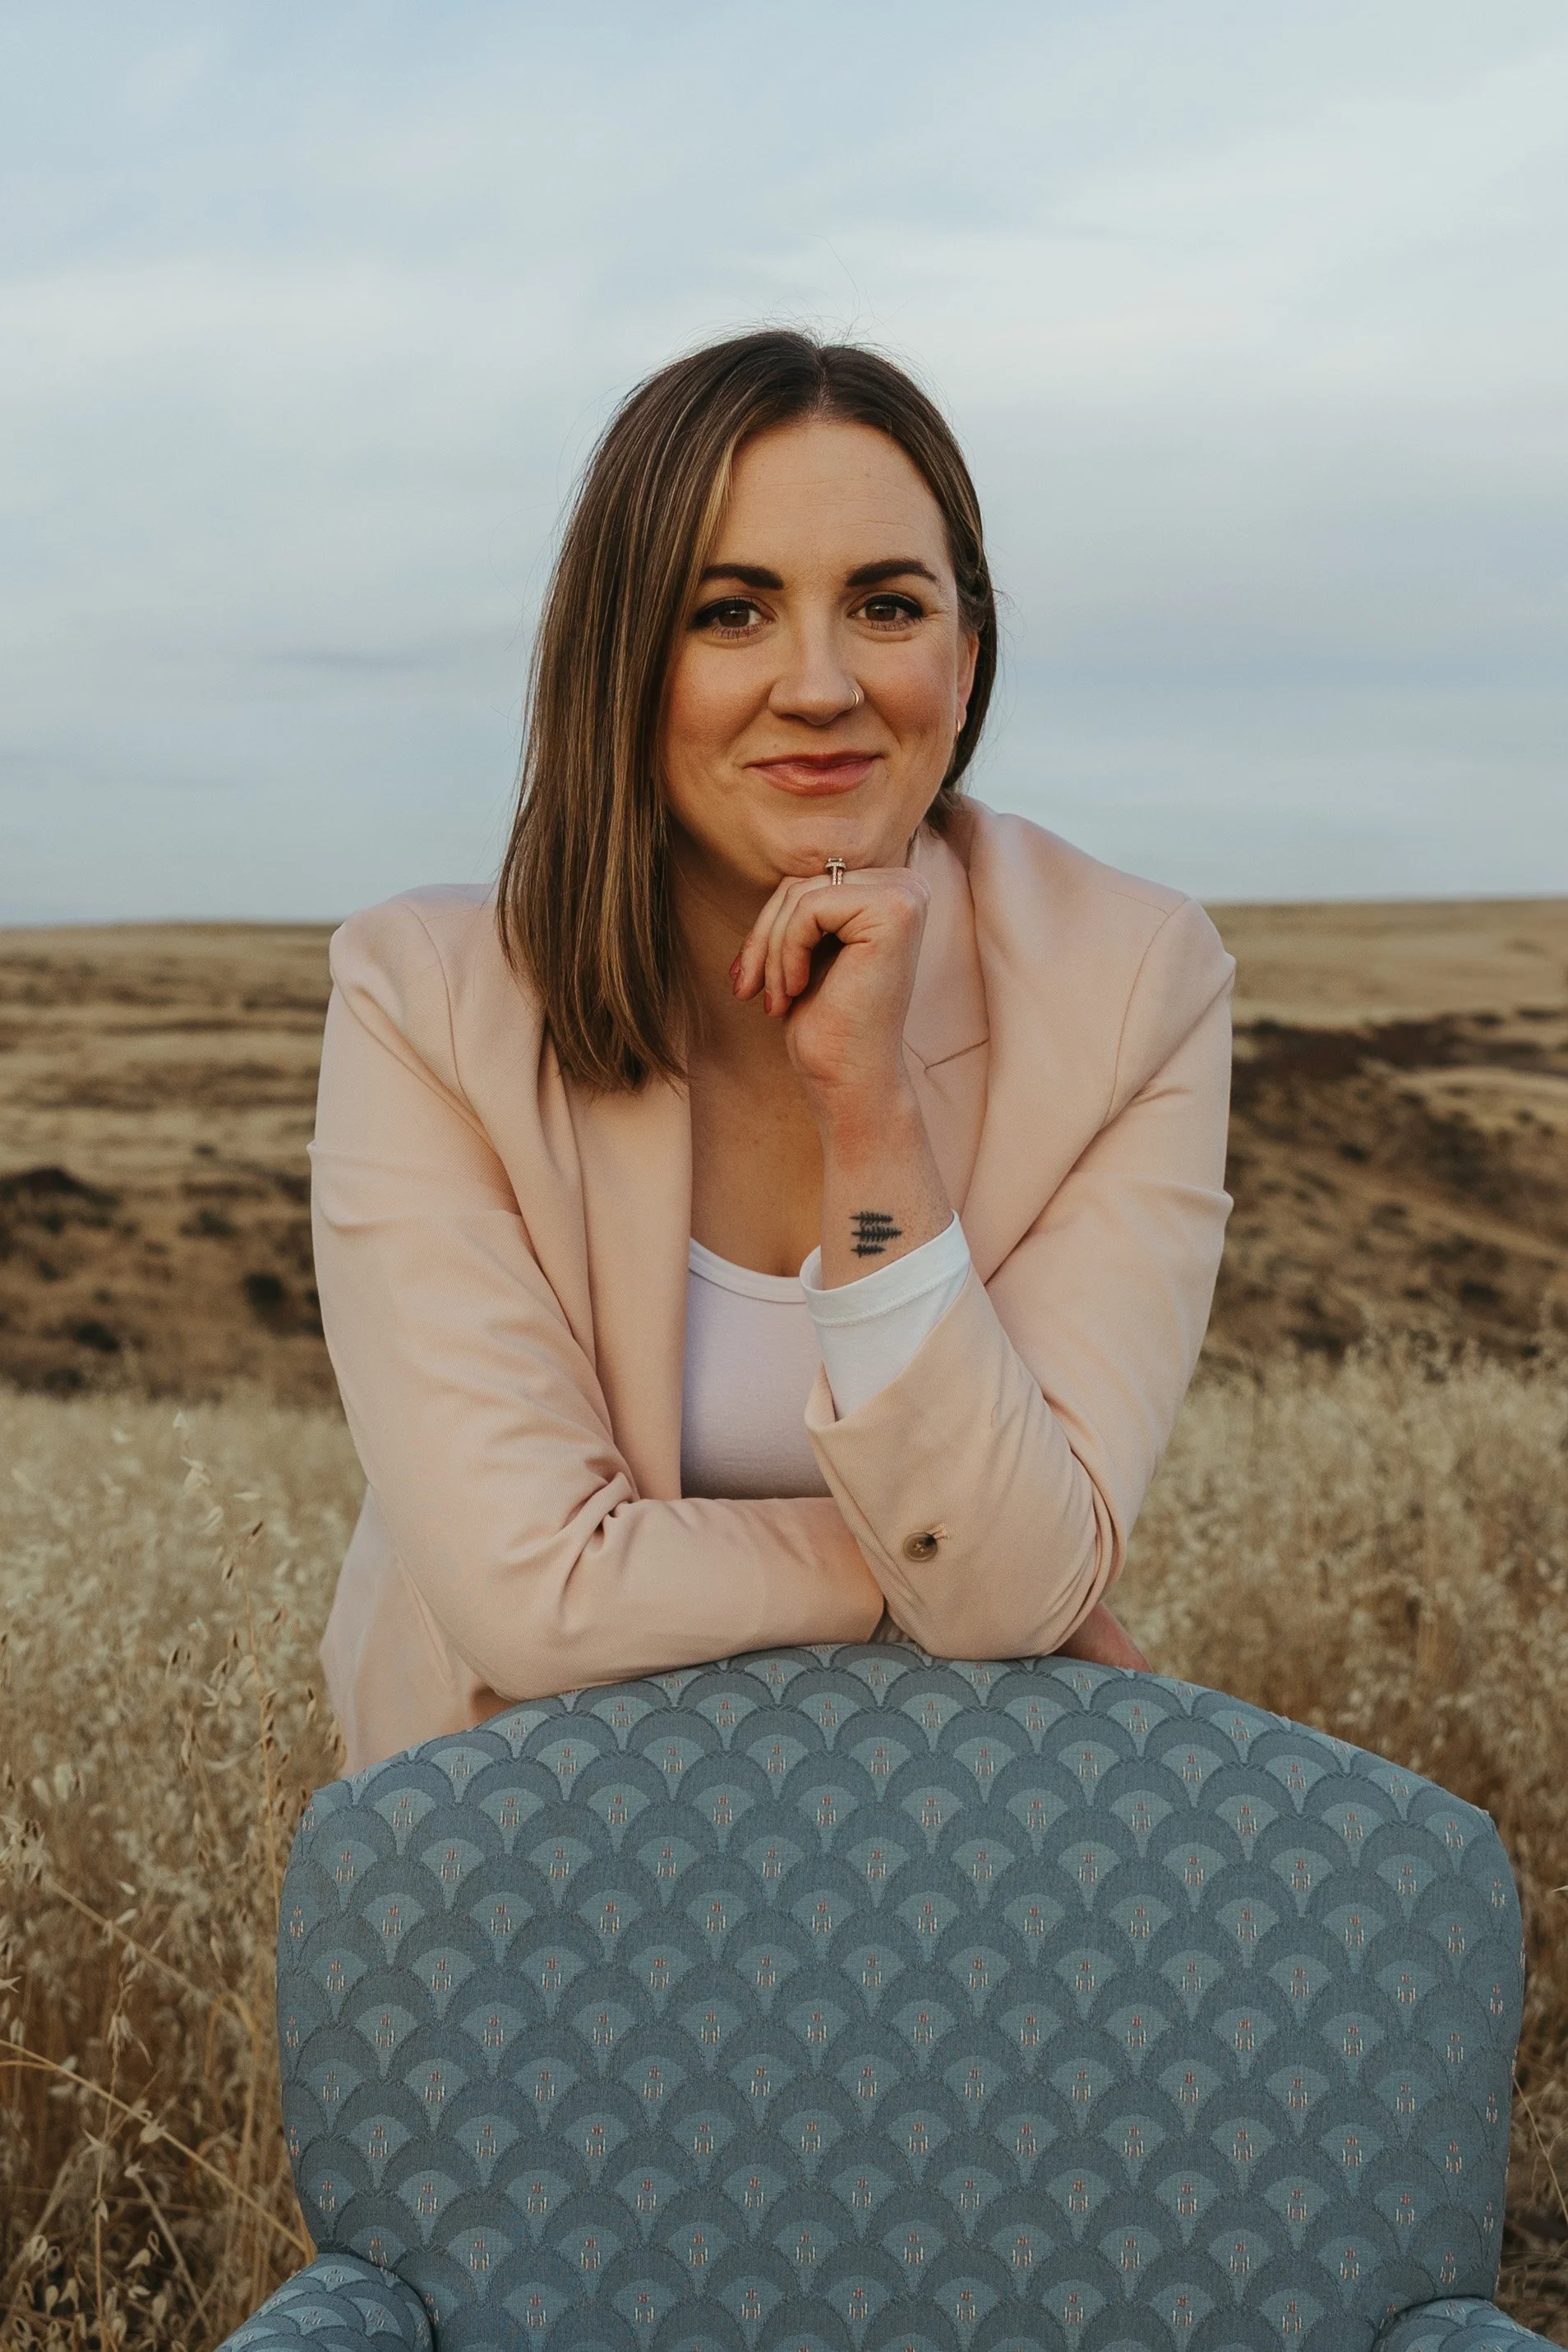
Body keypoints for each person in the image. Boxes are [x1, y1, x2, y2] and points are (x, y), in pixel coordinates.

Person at [310, 330, 1234, 1773]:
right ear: (626, 659)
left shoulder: (1131, 983)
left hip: (945, 1856)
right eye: (732, 612)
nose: (818, 684)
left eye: (884, 604)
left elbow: (1014, 1584)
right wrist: (932, 1574)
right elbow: (533, 1598)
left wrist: (869, 1111)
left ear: (966, 652)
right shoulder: (427, 998)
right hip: (509, 1863)